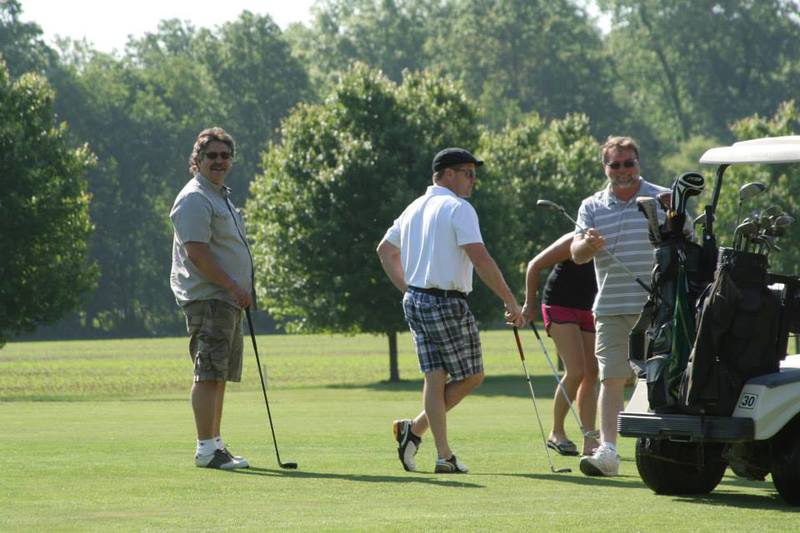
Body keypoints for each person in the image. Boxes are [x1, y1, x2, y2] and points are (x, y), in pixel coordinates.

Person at [377, 147, 525, 474]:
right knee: (472, 375)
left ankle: (436, 450)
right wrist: (510, 300)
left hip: (416, 299)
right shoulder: (459, 208)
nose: (473, 180)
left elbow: (386, 251)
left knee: (435, 378)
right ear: (447, 174)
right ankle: (419, 434)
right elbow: (480, 258)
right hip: (446, 301)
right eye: (467, 173)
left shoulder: (414, 207)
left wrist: (409, 287)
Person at [570, 136, 669, 477]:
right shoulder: (591, 206)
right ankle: (608, 451)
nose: (623, 170)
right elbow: (577, 255)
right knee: (611, 377)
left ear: (638, 164)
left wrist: (673, 217)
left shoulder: (661, 198)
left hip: (656, 307)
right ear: (605, 168)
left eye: (629, 163)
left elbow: (687, 239)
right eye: (615, 164)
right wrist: (589, 244)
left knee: (657, 378)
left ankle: (663, 447)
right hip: (610, 306)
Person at [170, 127, 254, 470]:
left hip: (226, 300)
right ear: (197, 160)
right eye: (211, 156)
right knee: (207, 372)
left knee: (218, 373)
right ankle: (206, 448)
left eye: (224, 155)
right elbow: (197, 253)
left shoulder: (219, 195)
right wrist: (233, 286)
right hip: (211, 298)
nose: (219, 161)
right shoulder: (195, 198)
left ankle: (216, 444)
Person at [522, 232, 598, 457]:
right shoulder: (574, 239)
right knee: (576, 371)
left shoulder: (613, 240)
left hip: (590, 308)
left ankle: (590, 440)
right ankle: (557, 433)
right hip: (559, 304)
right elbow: (534, 266)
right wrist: (529, 305)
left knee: (592, 373)